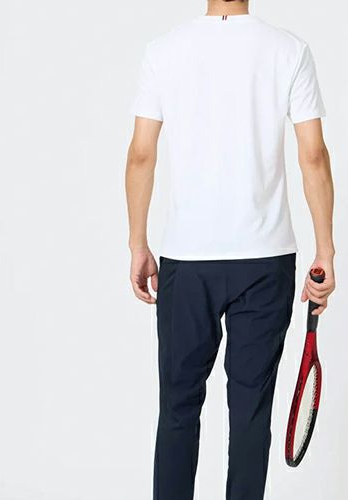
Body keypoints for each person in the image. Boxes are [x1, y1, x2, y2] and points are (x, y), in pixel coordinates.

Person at [125, 1, 336, 499]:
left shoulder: (163, 51)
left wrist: (138, 244)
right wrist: (325, 251)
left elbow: (141, 154)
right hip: (266, 261)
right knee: (250, 413)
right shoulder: (289, 50)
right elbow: (313, 155)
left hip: (187, 260)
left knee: (178, 409)